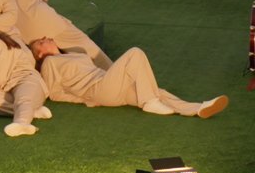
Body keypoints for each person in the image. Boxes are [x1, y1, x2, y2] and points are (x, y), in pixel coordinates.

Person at [31, 39, 228, 118]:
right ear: (40, 54)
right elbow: (55, 94)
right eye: (41, 42)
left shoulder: (73, 53)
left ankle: (197, 108)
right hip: (99, 90)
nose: (46, 38)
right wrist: (85, 98)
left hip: (108, 85)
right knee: (135, 53)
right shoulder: (50, 63)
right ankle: (149, 102)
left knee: (157, 91)